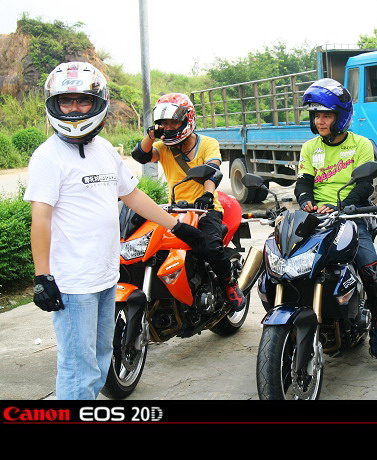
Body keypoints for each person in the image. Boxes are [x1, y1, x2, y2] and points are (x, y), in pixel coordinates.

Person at [24, 62, 204, 400]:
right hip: (73, 284)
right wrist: (42, 276)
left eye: (82, 101)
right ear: (53, 105)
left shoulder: (104, 150)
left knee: (102, 360)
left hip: (108, 276)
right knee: (79, 368)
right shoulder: (48, 157)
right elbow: (41, 219)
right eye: (66, 102)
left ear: (98, 103)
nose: (74, 109)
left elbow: (133, 195)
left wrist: (177, 226)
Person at [294, 78, 377, 376]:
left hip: (350, 218)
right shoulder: (309, 147)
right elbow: (304, 182)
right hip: (315, 218)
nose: (320, 121)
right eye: (316, 115)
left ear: (341, 116)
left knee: (374, 279)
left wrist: (341, 208)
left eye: (326, 115)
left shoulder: (360, 145)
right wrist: (305, 202)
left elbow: (364, 185)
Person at [131, 93, 246, 312]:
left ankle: (228, 282)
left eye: (173, 121)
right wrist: (152, 134)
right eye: (164, 122)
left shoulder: (208, 144)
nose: (169, 127)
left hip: (204, 208)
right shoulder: (163, 148)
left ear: (188, 119)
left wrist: (207, 196)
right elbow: (141, 156)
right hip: (175, 210)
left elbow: (212, 171)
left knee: (211, 247)